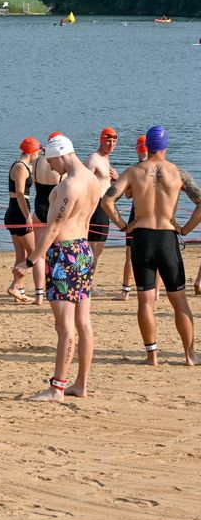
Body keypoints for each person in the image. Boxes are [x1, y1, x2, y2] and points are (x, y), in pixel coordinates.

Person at [102, 126, 199, 366]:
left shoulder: (134, 172)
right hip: (167, 239)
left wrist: (124, 226)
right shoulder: (178, 173)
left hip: (142, 239)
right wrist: (185, 228)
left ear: (148, 147)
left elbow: (107, 200)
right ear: (165, 147)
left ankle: (152, 356)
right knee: (179, 301)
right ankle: (189, 355)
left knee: (145, 301)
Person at [18, 135, 101, 401]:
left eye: (52, 162)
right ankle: (82, 384)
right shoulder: (92, 180)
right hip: (83, 250)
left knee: (65, 326)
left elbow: (53, 227)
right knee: (83, 323)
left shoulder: (70, 186)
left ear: (61, 155)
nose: (52, 168)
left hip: (65, 254)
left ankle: (57, 388)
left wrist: (30, 261)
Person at [4, 137, 41, 304]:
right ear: (32, 152)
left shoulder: (24, 165)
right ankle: (15, 285)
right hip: (18, 212)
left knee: (21, 254)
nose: (39, 154)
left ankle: (17, 290)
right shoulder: (20, 166)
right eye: (38, 151)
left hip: (15, 211)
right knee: (35, 254)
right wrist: (27, 216)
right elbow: (20, 193)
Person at [84, 127, 120, 286]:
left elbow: (104, 182)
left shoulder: (106, 158)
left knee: (98, 248)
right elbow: (84, 182)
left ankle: (87, 282)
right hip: (95, 206)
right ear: (101, 140)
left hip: (104, 206)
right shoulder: (94, 158)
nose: (111, 144)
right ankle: (86, 283)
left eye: (113, 141)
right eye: (108, 141)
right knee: (93, 246)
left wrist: (116, 180)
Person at [115, 134, 148, 301]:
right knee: (153, 256)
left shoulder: (134, 170)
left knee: (130, 255)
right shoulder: (160, 169)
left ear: (137, 149)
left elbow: (128, 195)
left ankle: (125, 291)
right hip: (154, 216)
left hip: (136, 216)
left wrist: (119, 180)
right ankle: (155, 292)